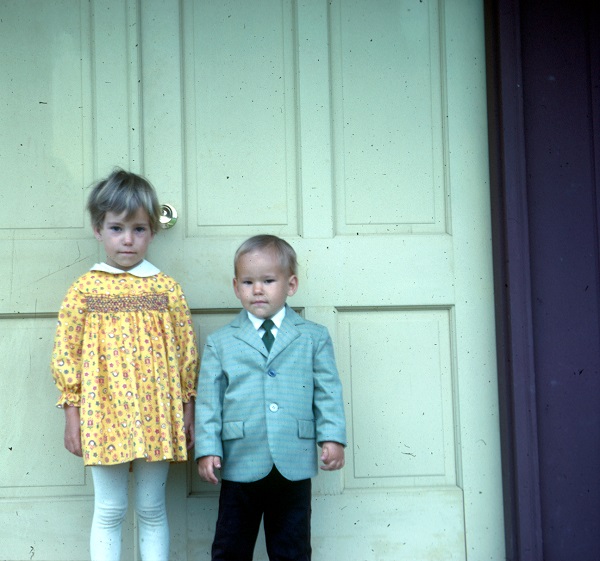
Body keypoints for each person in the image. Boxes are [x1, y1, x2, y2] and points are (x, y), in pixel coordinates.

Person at [50, 169, 199, 561]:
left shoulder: (166, 289)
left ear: (153, 232)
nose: (128, 240)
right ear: (98, 229)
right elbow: (67, 353)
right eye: (117, 228)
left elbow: (186, 350)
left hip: (157, 413)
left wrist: (188, 407)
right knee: (110, 508)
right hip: (103, 414)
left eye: (139, 229)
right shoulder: (85, 289)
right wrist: (72, 415)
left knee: (151, 508)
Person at [195, 234, 346, 561]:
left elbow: (328, 392)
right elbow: (209, 403)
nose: (258, 290)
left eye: (268, 281)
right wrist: (207, 449)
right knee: (230, 548)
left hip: (293, 462)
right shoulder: (221, 342)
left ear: (291, 285)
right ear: (236, 287)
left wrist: (332, 437)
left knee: (292, 548)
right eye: (248, 282)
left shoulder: (313, 337)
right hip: (240, 461)